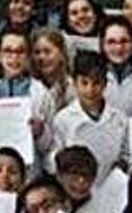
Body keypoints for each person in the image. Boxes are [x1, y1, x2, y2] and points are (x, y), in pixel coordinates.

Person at [0, 30, 56, 177]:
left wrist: (41, 133)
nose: (14, 57)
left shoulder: (41, 93)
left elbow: (51, 145)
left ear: (28, 57)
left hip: (29, 175)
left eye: (20, 52)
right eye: (8, 51)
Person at [50, 51, 127, 180]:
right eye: (84, 83)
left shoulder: (119, 118)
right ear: (74, 83)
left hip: (111, 188)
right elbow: (53, 161)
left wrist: (120, 168)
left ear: (105, 84)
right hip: (75, 189)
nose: (90, 90)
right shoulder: (63, 119)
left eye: (96, 83)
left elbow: (125, 155)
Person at [55, 145, 116, 213]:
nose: (81, 180)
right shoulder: (45, 206)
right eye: (74, 173)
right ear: (59, 175)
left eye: (87, 175)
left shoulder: (103, 210)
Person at [100, 16, 132, 118]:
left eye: (124, 41)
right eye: (111, 42)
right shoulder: (92, 78)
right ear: (102, 44)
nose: (119, 48)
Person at [30, 28, 73, 113]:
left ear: (61, 54)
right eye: (37, 52)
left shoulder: (72, 88)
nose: (41, 57)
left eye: (47, 52)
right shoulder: (30, 87)